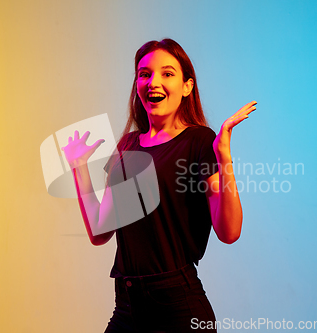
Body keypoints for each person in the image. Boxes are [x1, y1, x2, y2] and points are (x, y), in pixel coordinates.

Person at [62, 38, 256, 332]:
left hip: (178, 307)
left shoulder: (200, 141)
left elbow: (229, 232)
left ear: (187, 86)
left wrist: (224, 158)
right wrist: (79, 169)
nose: (154, 82)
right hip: (127, 305)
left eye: (167, 73)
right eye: (144, 74)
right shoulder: (128, 146)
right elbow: (100, 231)